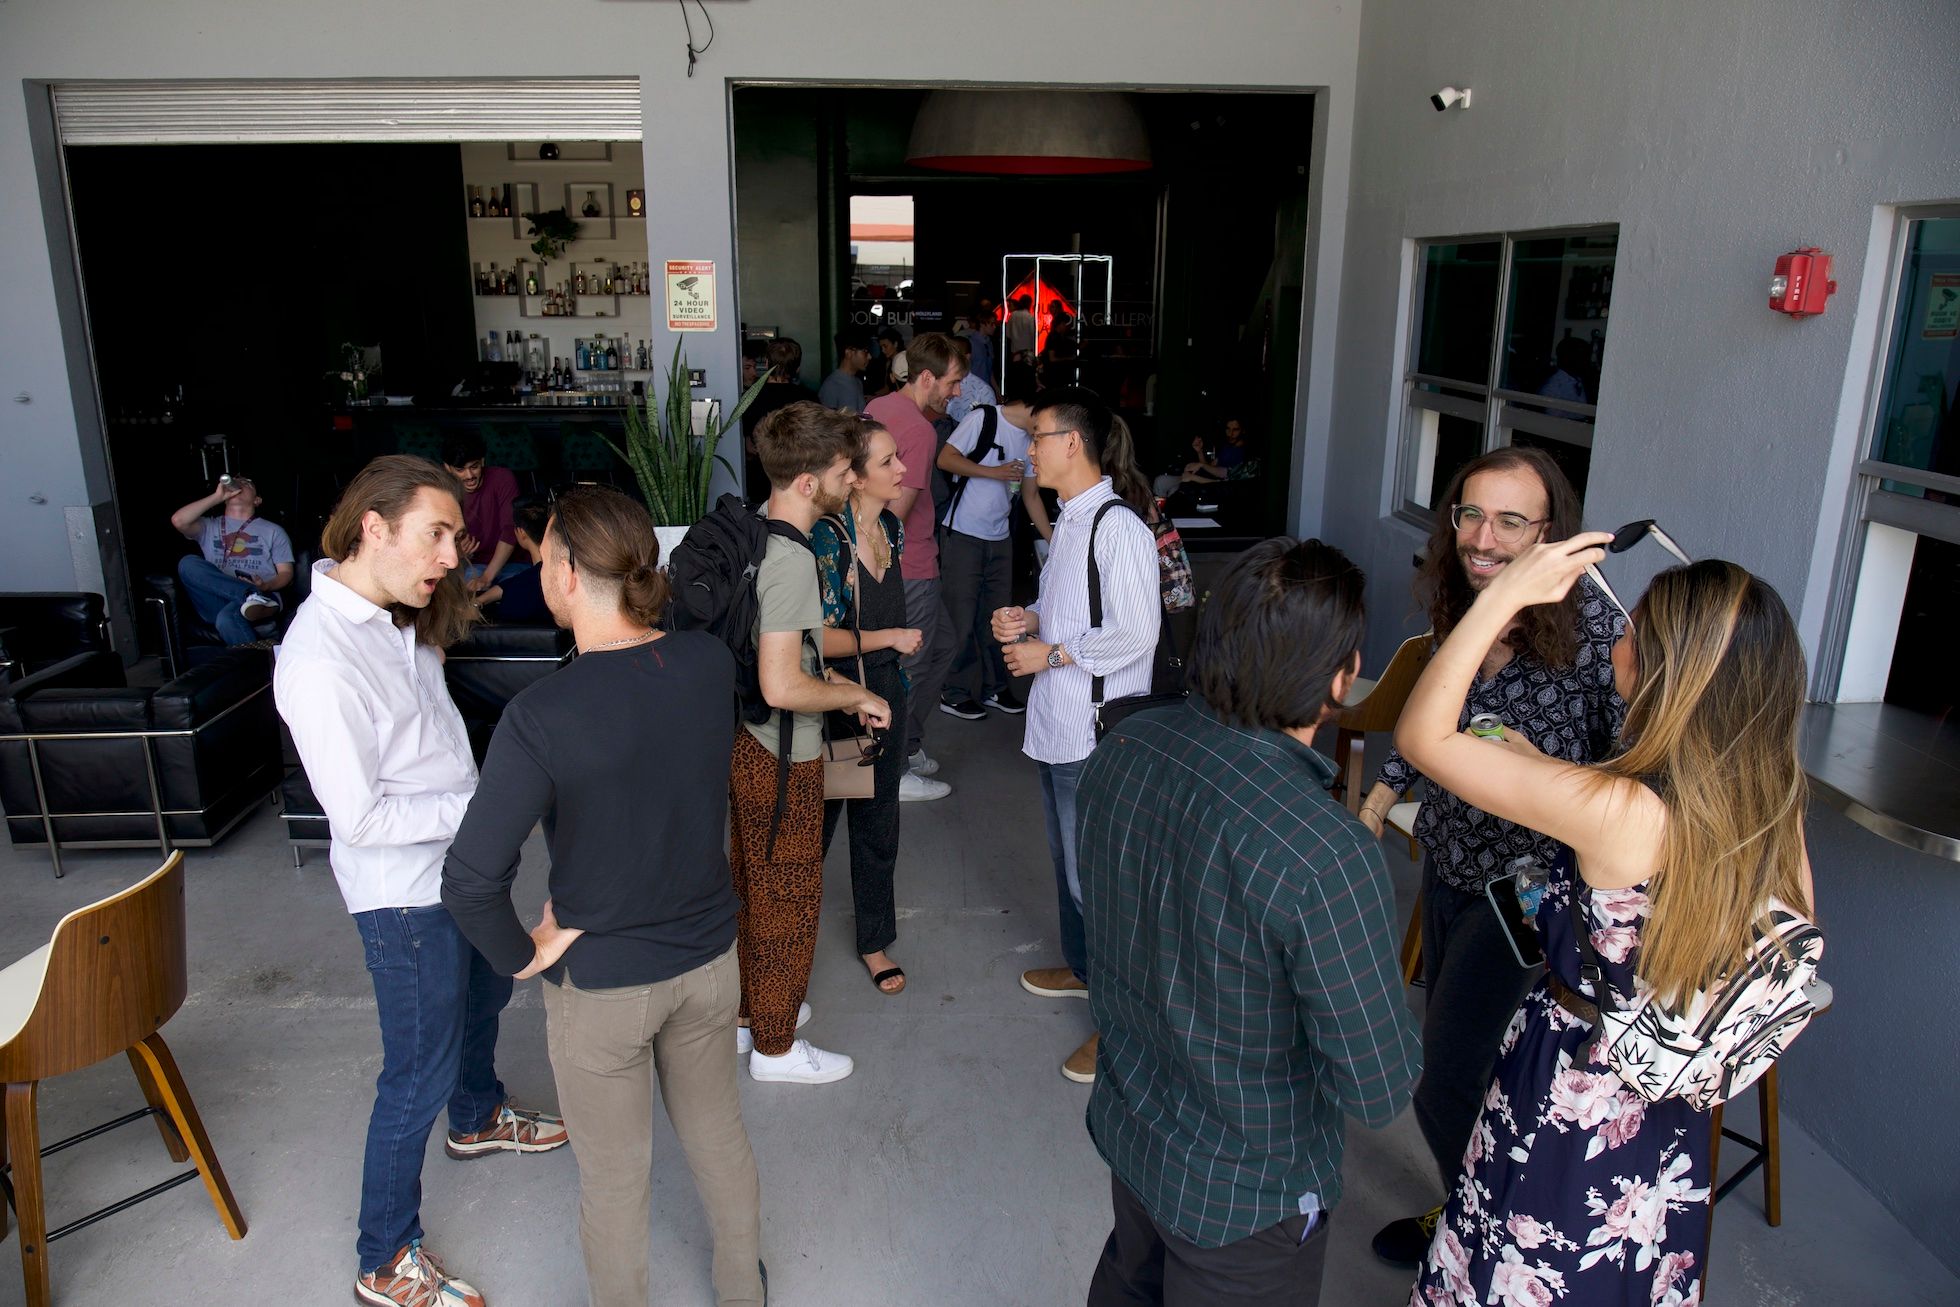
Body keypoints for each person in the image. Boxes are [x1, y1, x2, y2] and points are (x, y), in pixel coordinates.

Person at [1397, 544, 1817, 1307]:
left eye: (1633, 629)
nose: (1617, 635)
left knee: (1525, 1255)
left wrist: (1504, 595)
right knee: (1615, 1265)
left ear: (1663, 671)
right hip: (1664, 1101)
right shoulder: (1774, 803)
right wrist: (1550, 771)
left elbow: (1424, 737)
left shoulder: (1619, 814)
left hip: (1575, 1081)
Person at [441, 486, 766, 1307]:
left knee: (616, 1182)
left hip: (604, 985)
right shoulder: (708, 664)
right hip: (709, 963)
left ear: (563, 573)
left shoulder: (541, 713)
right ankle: (744, 1291)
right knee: (718, 1137)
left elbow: (470, 880)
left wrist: (522, 956)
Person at [1079, 538, 1422, 1306]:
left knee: (1129, 1281)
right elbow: (1377, 1084)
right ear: (1342, 677)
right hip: (1245, 1195)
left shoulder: (1124, 743)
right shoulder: (1324, 849)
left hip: (1135, 1130)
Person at [274, 455, 568, 1307]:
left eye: (456, 536)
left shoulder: (395, 613)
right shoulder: (320, 658)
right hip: (403, 895)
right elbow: (360, 819)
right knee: (416, 1072)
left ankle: (476, 1117)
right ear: (373, 525)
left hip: (460, 868)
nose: (453, 555)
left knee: (485, 996)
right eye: (436, 534)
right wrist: (484, 805)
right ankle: (384, 1255)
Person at [1359, 446, 1626, 1268]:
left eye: (1511, 521)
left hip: (1531, 893)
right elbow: (1434, 711)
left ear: (1551, 532)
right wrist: (1380, 794)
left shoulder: (1598, 633)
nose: (1482, 537)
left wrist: (1544, 772)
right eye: (1470, 514)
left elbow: (1635, 787)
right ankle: (1470, 1206)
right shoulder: (1464, 601)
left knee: (1445, 1074)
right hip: (1448, 858)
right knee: (1461, 1061)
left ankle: (1484, 1236)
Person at [991, 387, 1159, 1084]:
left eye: (1038, 436)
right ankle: (1086, 969)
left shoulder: (1119, 528)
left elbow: (1135, 631)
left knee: (1101, 884)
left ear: (1072, 443)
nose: (1029, 448)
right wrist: (1029, 619)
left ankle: (1123, 1029)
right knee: (1071, 866)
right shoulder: (1071, 519)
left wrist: (1051, 653)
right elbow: (1072, 608)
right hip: (1061, 723)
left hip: (1096, 731)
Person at [734, 401, 892, 1083]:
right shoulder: (794, 559)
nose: (852, 478)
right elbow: (783, 684)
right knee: (789, 899)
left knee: (754, 888)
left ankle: (754, 1016)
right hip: (782, 754)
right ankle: (775, 1049)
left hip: (746, 742)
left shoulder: (756, 533)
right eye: (841, 470)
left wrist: (833, 681)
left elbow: (782, 658)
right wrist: (856, 695)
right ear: (807, 482)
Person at [811, 419, 932, 991]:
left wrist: (889, 661)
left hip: (888, 694)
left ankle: (874, 942)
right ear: (854, 477)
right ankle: (779, 944)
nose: (902, 469)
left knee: (880, 823)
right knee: (814, 830)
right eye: (887, 462)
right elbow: (811, 639)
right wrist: (890, 639)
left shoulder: (891, 527)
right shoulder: (828, 539)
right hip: (836, 698)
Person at [864, 332, 967, 790]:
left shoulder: (878, 407)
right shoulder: (921, 431)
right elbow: (895, 518)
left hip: (893, 563)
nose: (957, 392)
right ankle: (895, 769)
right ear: (926, 377)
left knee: (942, 647)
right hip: (913, 564)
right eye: (952, 382)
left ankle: (906, 744)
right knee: (913, 665)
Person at [936, 397, 1038, 720]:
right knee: (961, 618)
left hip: (1001, 537)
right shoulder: (984, 419)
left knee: (1000, 618)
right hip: (963, 533)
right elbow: (945, 459)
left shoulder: (1033, 442)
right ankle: (954, 692)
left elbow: (1031, 494)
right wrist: (994, 472)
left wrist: (1054, 539)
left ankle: (995, 687)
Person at [168, 475, 296, 643]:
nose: (240, 483)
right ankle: (249, 594)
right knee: (187, 563)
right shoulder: (209, 525)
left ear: (257, 500)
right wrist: (217, 497)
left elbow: (286, 573)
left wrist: (265, 586)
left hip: (264, 596)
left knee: (226, 619)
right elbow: (179, 520)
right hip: (218, 597)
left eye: (247, 483)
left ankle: (253, 660)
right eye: (237, 481)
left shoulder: (273, 531)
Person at [442, 431, 524, 593]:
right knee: (463, 592)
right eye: (460, 470)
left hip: (516, 562)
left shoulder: (502, 478)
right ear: (448, 468)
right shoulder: (444, 491)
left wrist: (487, 577)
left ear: (482, 462)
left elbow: (510, 530)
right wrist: (458, 552)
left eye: (474, 467)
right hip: (474, 565)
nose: (469, 475)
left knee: (519, 592)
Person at [742, 337, 820, 498]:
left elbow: (748, 445)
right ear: (797, 368)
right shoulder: (809, 399)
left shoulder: (749, 398)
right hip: (800, 478)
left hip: (760, 480)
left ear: (766, 364)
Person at [472, 494, 549, 623]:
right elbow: (510, 584)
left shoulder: (519, 589)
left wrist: (476, 603)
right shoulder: (562, 574)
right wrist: (481, 600)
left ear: (521, 532)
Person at [817, 329, 873, 414]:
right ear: (848, 352)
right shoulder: (831, 385)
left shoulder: (858, 382)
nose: (869, 357)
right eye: (865, 351)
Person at [962, 307, 998, 390]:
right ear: (982, 324)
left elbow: (989, 370)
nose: (994, 327)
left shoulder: (989, 342)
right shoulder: (970, 343)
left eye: (994, 324)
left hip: (985, 386)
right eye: (991, 324)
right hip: (972, 388)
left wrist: (996, 389)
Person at [1005, 294, 1038, 361]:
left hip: (1015, 351)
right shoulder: (1030, 317)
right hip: (1027, 352)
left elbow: (1007, 334)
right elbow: (1034, 335)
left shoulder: (1012, 315)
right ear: (1029, 304)